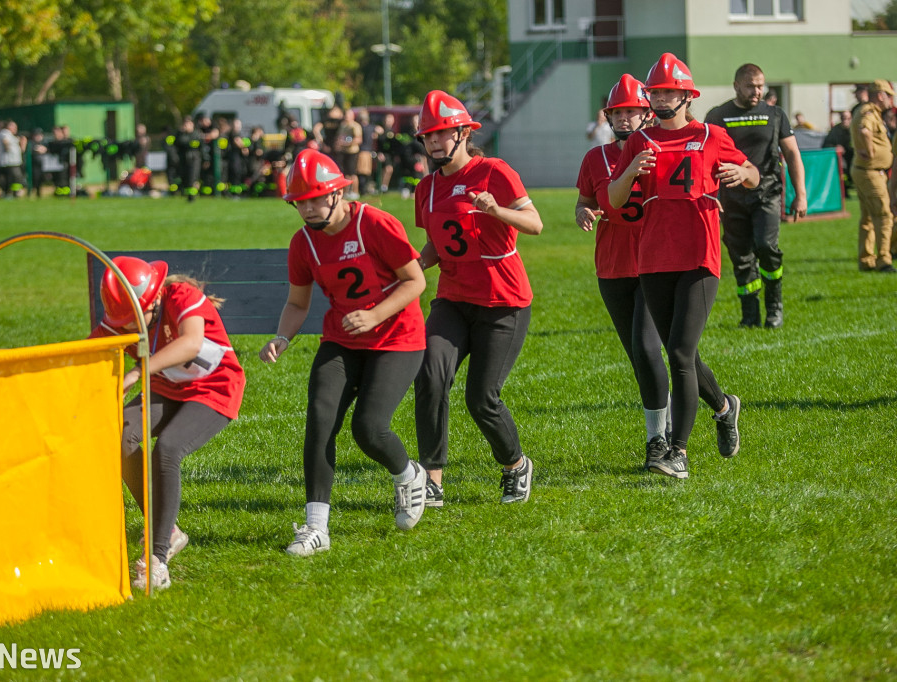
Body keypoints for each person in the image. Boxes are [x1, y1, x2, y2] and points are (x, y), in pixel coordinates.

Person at [259, 148, 428, 556]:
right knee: (320, 420)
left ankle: (408, 475)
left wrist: (374, 316)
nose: (309, 209)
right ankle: (317, 528)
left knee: (369, 429)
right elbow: (298, 304)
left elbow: (415, 281)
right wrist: (283, 337)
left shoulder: (375, 223)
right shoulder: (302, 243)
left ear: (338, 193)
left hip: (397, 337)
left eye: (316, 198)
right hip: (342, 339)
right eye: (301, 202)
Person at [608, 53, 758, 479]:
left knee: (677, 352)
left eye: (668, 91)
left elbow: (752, 173)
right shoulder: (639, 141)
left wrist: (739, 172)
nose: (659, 98)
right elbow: (615, 199)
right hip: (653, 258)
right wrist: (632, 170)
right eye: (654, 91)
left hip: (699, 254)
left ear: (687, 95)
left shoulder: (710, 134)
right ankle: (725, 406)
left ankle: (678, 452)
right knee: (683, 353)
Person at [412, 90, 543, 505]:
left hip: (503, 302)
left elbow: (535, 224)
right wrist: (409, 269)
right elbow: (435, 245)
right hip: (452, 300)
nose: (434, 142)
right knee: (430, 375)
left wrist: (495, 211)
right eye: (427, 136)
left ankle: (515, 465)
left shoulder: (494, 171)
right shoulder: (427, 188)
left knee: (481, 399)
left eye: (442, 133)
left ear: (465, 132)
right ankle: (432, 478)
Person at [90, 256, 245, 588]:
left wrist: (137, 370)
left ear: (154, 299)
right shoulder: (122, 318)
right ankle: (169, 530)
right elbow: (87, 355)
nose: (128, 328)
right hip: (165, 388)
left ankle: (157, 558)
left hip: (214, 389)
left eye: (135, 319)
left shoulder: (181, 296)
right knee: (120, 433)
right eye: (121, 321)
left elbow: (190, 343)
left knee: (168, 449)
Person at [575, 74, 672, 469]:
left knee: (653, 350)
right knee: (640, 355)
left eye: (632, 111)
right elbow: (584, 199)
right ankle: (720, 404)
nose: (625, 119)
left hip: (655, 263)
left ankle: (659, 441)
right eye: (618, 112)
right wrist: (583, 210)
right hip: (612, 266)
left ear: (646, 113)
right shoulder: (594, 158)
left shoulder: (659, 151)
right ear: (608, 116)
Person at [705, 63, 808, 329]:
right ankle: (749, 315)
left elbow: (793, 155)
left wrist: (801, 195)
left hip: (767, 193)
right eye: (751, 85)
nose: (757, 91)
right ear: (736, 85)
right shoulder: (718, 115)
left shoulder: (775, 114)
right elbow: (704, 159)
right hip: (730, 198)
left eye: (761, 85)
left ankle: (774, 308)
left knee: (766, 246)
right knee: (740, 256)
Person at [850, 79, 895, 273]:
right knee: (884, 215)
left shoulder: (869, 112)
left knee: (868, 218)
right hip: (870, 172)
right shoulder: (868, 112)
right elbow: (864, 130)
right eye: (889, 96)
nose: (891, 100)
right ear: (880, 95)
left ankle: (866, 259)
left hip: (866, 171)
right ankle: (884, 260)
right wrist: (868, 150)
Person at [823, 111, 854, 198]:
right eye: (843, 118)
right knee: (842, 167)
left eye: (848, 118)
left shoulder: (854, 130)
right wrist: (836, 147)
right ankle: (844, 191)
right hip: (840, 158)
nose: (845, 121)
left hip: (853, 158)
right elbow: (826, 145)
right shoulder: (835, 130)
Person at [0, 120, 24, 197]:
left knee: (15, 178)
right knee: (14, 177)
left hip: (13, 161)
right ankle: (9, 193)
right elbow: (5, 141)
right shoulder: (5, 132)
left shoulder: (12, 135)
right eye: (13, 126)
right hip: (8, 161)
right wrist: (7, 147)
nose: (15, 128)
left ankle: (14, 192)